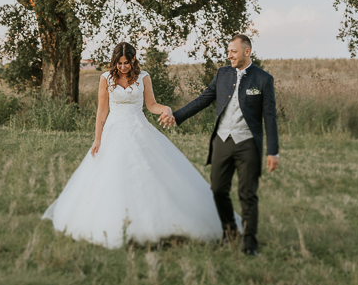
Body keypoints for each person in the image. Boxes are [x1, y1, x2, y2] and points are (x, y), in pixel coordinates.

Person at [42, 41, 229, 248]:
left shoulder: (143, 77)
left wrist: (166, 109)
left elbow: (151, 105)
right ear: (115, 62)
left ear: (133, 60)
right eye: (119, 63)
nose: (123, 67)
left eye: (127, 63)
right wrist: (98, 139)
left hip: (138, 128)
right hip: (113, 130)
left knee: (148, 172)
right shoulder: (106, 79)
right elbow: (102, 111)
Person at [161, 33, 279, 256]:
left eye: (233, 51)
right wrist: (177, 116)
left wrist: (273, 151)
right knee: (217, 190)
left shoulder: (263, 79)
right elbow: (204, 99)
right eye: (228, 51)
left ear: (247, 51)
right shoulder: (223, 74)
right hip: (222, 142)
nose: (229, 55)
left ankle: (250, 243)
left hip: (248, 144)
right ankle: (230, 232)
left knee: (247, 194)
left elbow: (270, 117)